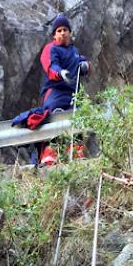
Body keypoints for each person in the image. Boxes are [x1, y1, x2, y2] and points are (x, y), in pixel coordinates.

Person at [37, 14, 90, 165]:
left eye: (65, 29)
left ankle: (75, 151)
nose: (62, 33)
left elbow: (81, 60)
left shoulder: (74, 51)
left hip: (73, 92)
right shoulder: (51, 48)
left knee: (77, 118)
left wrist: (86, 65)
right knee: (56, 117)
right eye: (59, 30)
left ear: (70, 33)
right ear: (54, 34)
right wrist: (60, 73)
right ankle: (50, 154)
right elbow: (50, 65)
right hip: (56, 91)